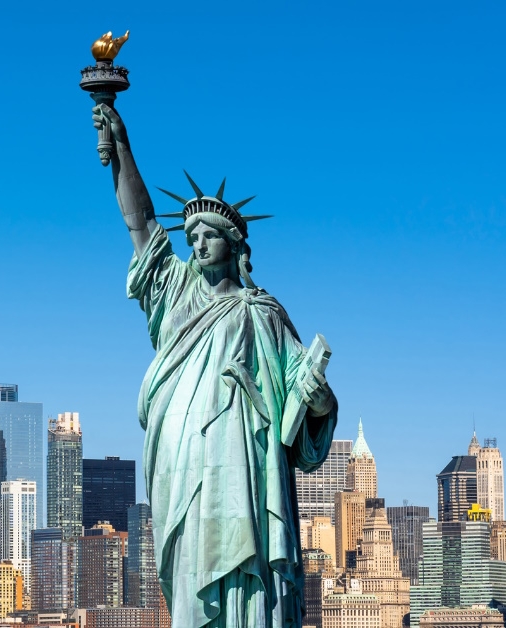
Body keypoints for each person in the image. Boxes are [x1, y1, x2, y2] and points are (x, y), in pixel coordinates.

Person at [92, 103, 339, 628]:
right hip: (181, 466)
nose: (197, 243)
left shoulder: (263, 312)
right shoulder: (175, 291)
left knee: (245, 573)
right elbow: (139, 224)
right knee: (188, 575)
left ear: (235, 246)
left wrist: (319, 399)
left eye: (209, 235)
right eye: (192, 236)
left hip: (244, 467)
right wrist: (122, 149)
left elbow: (305, 394)